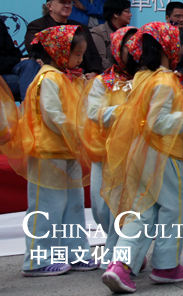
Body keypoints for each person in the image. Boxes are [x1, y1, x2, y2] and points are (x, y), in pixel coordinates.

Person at [101, 22, 183, 293]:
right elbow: (158, 123)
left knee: (142, 211)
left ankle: (120, 266)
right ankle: (166, 265)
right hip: (164, 154)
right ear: (167, 47)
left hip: (140, 152)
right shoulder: (166, 80)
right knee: (174, 208)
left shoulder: (141, 78)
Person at [0, 26, 96, 276]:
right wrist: (81, 133)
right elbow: (54, 115)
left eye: (81, 54)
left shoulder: (63, 76)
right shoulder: (49, 78)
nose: (80, 59)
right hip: (47, 151)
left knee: (73, 206)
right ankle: (37, 259)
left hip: (66, 150)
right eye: (76, 54)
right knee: (46, 207)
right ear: (59, 52)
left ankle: (76, 253)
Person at [80, 26, 138, 271]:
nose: (135, 52)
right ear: (117, 50)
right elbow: (94, 113)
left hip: (135, 153)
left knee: (129, 207)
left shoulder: (145, 80)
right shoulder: (103, 82)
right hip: (105, 153)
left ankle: (121, 258)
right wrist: (127, 113)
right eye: (129, 47)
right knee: (101, 207)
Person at [25, 0, 103, 76]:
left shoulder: (81, 28)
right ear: (49, 6)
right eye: (62, 2)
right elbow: (36, 52)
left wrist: (94, 72)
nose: (67, 6)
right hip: (52, 76)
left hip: (83, 77)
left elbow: (94, 55)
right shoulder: (38, 26)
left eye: (69, 3)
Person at [0, 19, 41, 102]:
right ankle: (29, 111)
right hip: (4, 73)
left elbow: (11, 50)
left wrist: (31, 59)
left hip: (8, 68)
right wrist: (19, 60)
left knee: (31, 65)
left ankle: (29, 110)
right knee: (32, 80)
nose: (67, 5)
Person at [91, 0, 133, 71]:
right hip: (108, 76)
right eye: (127, 12)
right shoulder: (98, 32)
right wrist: (117, 74)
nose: (131, 15)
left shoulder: (130, 32)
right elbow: (101, 59)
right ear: (116, 14)